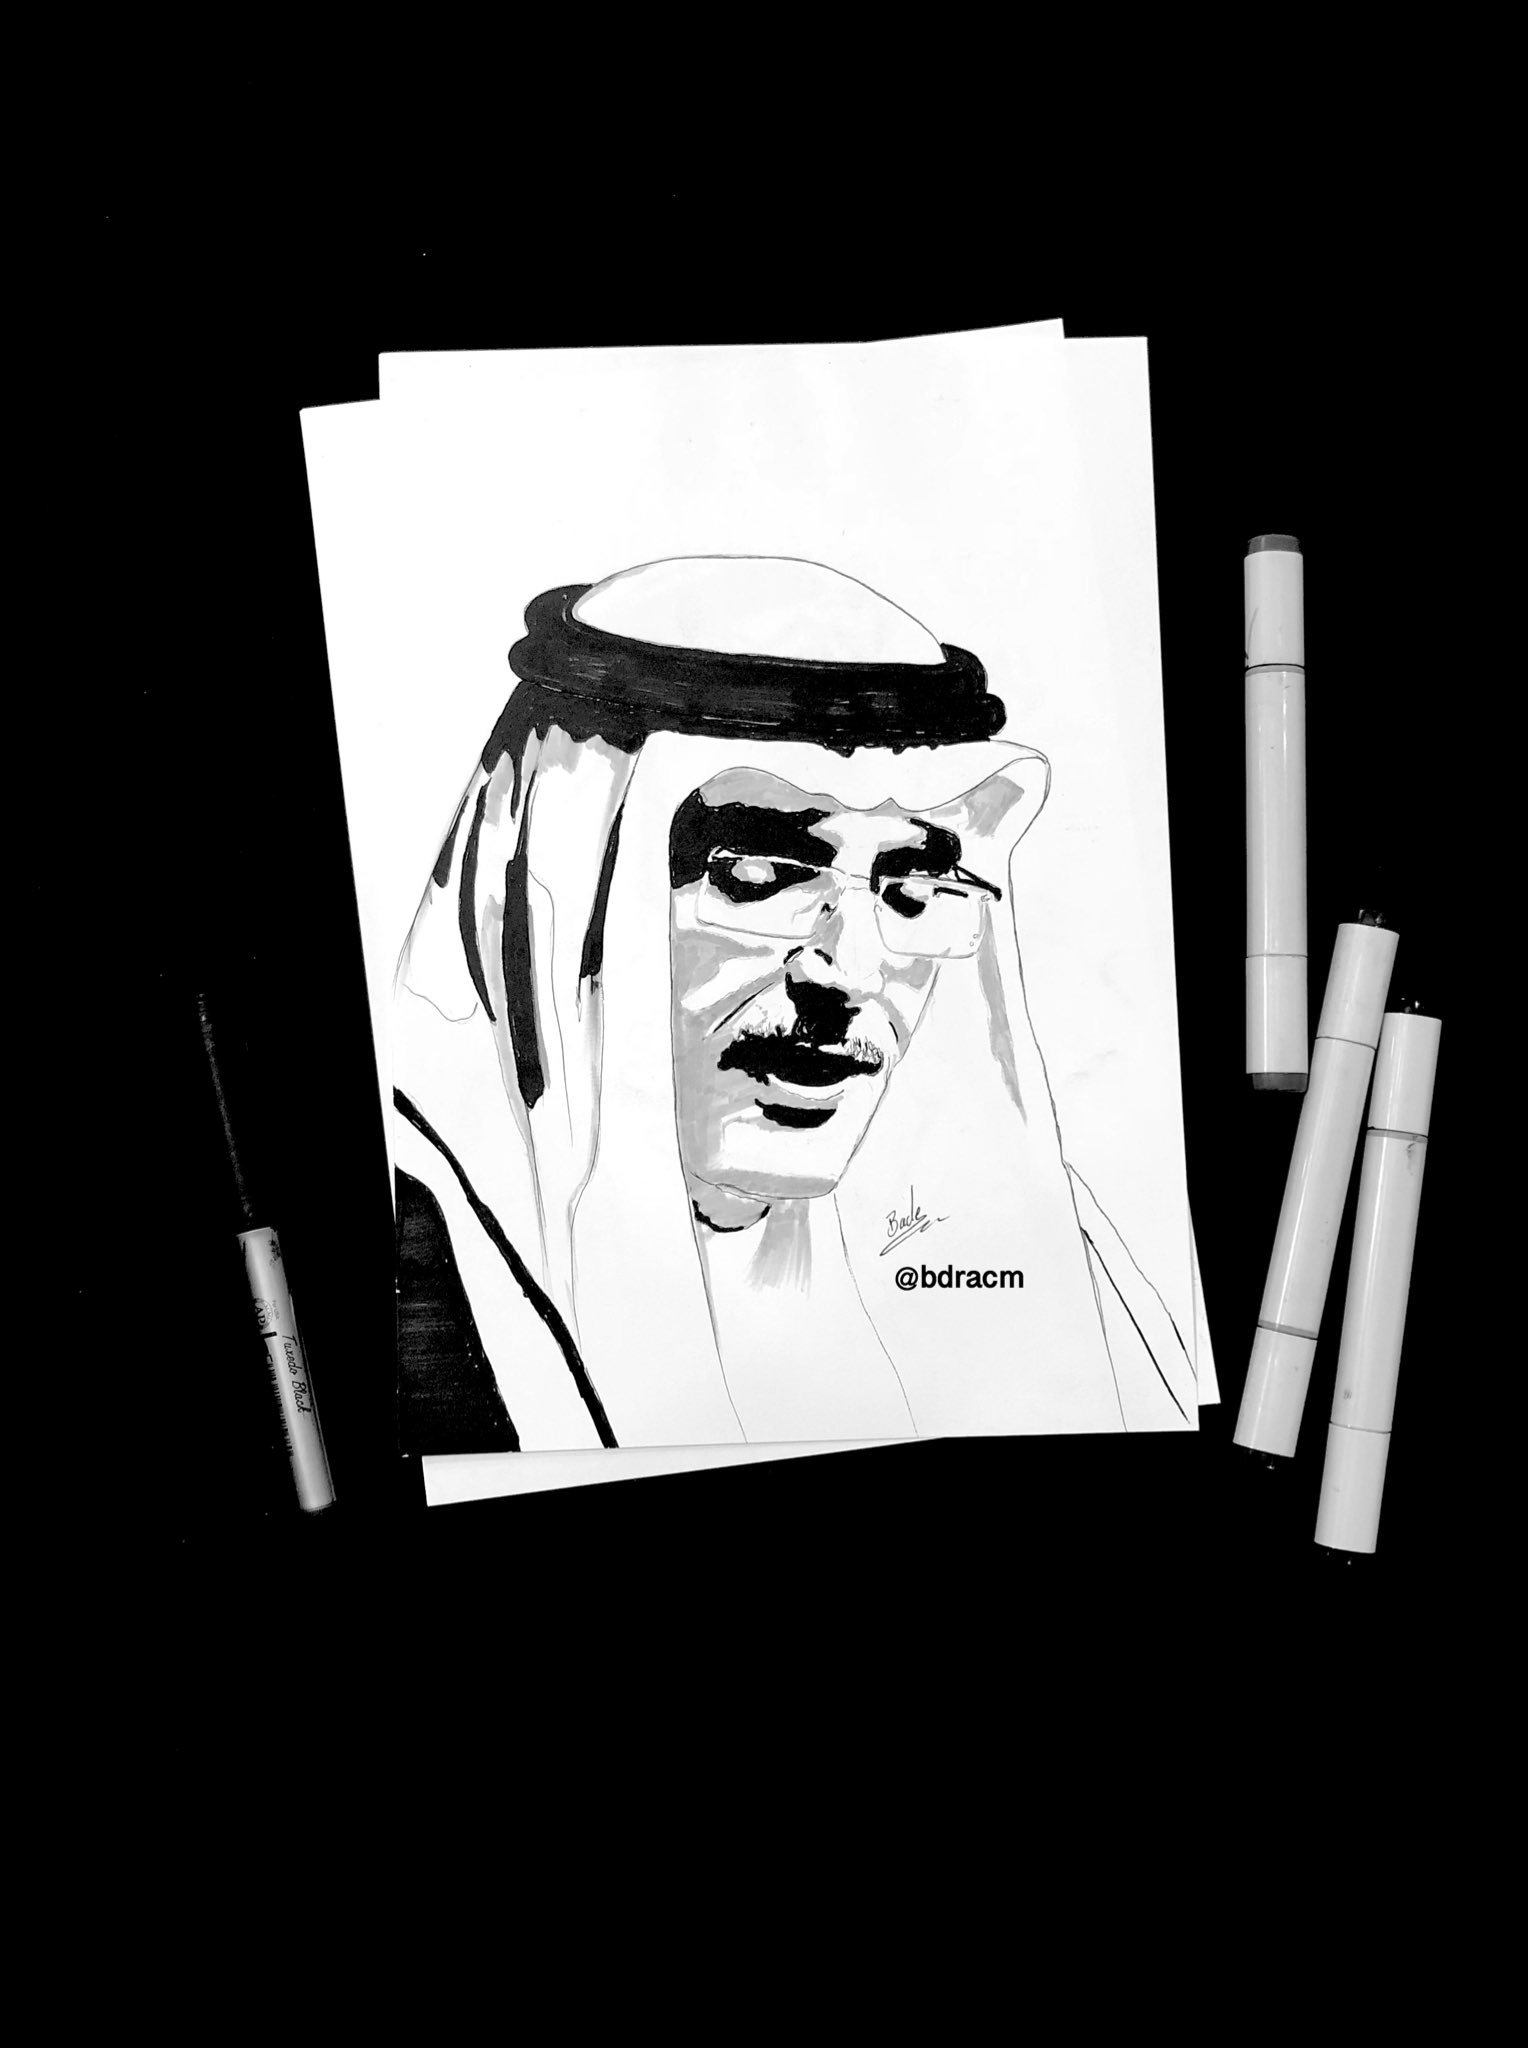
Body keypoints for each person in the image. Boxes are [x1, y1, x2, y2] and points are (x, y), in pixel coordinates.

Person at [392, 555, 1196, 1452]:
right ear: (571, 897)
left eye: (911, 892)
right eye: (762, 876)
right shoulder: (423, 1276)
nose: (848, 971)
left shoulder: (1065, 1268)